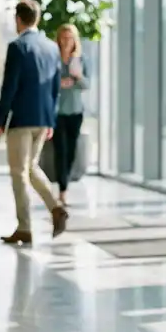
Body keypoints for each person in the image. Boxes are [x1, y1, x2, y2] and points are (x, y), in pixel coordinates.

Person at [0, 0, 69, 245]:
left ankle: (24, 228)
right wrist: (51, 120)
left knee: (19, 173)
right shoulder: (51, 47)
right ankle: (56, 208)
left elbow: (10, 87)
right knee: (31, 167)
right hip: (43, 118)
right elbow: (56, 88)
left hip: (22, 119)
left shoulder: (18, 47)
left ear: (18, 19)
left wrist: (0, 119)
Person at [54, 24, 89, 206]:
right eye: (64, 38)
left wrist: (77, 78)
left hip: (76, 112)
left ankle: (64, 185)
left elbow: (86, 85)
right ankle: (62, 190)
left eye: (70, 38)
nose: (67, 41)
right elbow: (47, 83)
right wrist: (60, 83)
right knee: (61, 151)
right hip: (58, 112)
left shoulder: (81, 59)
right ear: (59, 39)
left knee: (71, 152)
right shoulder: (54, 59)